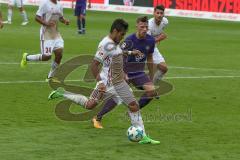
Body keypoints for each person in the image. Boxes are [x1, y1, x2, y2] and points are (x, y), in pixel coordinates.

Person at [48, 18, 160, 144]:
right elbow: (94, 65)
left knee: (133, 105)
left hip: (119, 83)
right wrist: (100, 83)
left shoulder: (114, 42)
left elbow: (116, 52)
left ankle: (143, 136)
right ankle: (63, 93)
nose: (122, 37)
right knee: (90, 105)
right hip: (106, 83)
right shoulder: (105, 44)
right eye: (122, 34)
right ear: (115, 31)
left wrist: (130, 52)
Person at [92, 16, 158, 129]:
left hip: (139, 73)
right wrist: (123, 73)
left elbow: (150, 58)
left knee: (151, 92)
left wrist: (151, 77)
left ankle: (134, 114)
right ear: (137, 26)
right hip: (126, 70)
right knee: (116, 98)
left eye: (146, 27)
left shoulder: (151, 40)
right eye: (142, 26)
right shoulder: (128, 40)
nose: (144, 29)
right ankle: (98, 117)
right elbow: (119, 56)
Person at [20, 0, 70, 81]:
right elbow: (37, 17)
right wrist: (46, 23)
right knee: (47, 57)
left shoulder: (60, 5)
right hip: (46, 34)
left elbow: (60, 18)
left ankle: (50, 76)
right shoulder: (45, 3)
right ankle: (27, 57)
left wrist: (65, 21)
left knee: (59, 54)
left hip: (56, 34)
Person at [148, 5, 169, 84]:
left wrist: (159, 36)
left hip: (153, 49)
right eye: (157, 13)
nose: (159, 15)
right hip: (144, 50)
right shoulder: (149, 25)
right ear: (154, 13)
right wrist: (159, 38)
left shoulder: (165, 21)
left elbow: (160, 30)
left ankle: (152, 86)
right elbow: (147, 42)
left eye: (161, 13)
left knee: (164, 68)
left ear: (163, 14)